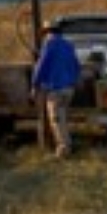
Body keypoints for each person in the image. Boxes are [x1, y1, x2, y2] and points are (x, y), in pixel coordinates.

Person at [30, 21, 81, 158]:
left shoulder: (49, 45)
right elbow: (76, 66)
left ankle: (63, 150)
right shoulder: (68, 45)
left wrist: (35, 85)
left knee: (56, 119)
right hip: (69, 89)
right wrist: (73, 81)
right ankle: (67, 145)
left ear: (48, 33)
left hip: (56, 89)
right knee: (62, 117)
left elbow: (41, 67)